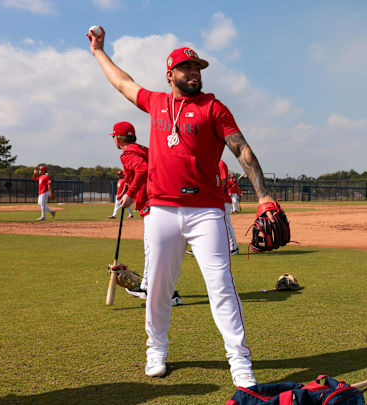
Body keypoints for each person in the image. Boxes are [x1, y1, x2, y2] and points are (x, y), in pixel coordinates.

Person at [89, 28, 277, 387]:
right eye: (186, 68)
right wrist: (99, 52)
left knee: (221, 285)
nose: (194, 73)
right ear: (170, 73)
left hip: (206, 210)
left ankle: (239, 360)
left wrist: (263, 195)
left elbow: (242, 150)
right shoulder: (157, 102)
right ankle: (156, 348)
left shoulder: (214, 107)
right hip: (160, 210)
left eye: (198, 68)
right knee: (158, 285)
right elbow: (123, 83)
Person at [109, 121, 182, 306]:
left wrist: (130, 194)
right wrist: (129, 183)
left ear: (117, 138)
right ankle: (147, 286)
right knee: (153, 247)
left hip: (153, 202)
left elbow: (142, 169)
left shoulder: (128, 153)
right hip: (164, 200)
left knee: (154, 249)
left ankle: (167, 294)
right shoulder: (144, 149)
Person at [219, 160, 239, 255]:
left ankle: (234, 248)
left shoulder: (221, 164)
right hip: (213, 200)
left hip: (223, 200)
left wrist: (218, 191)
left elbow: (223, 180)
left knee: (226, 224)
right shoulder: (209, 162)